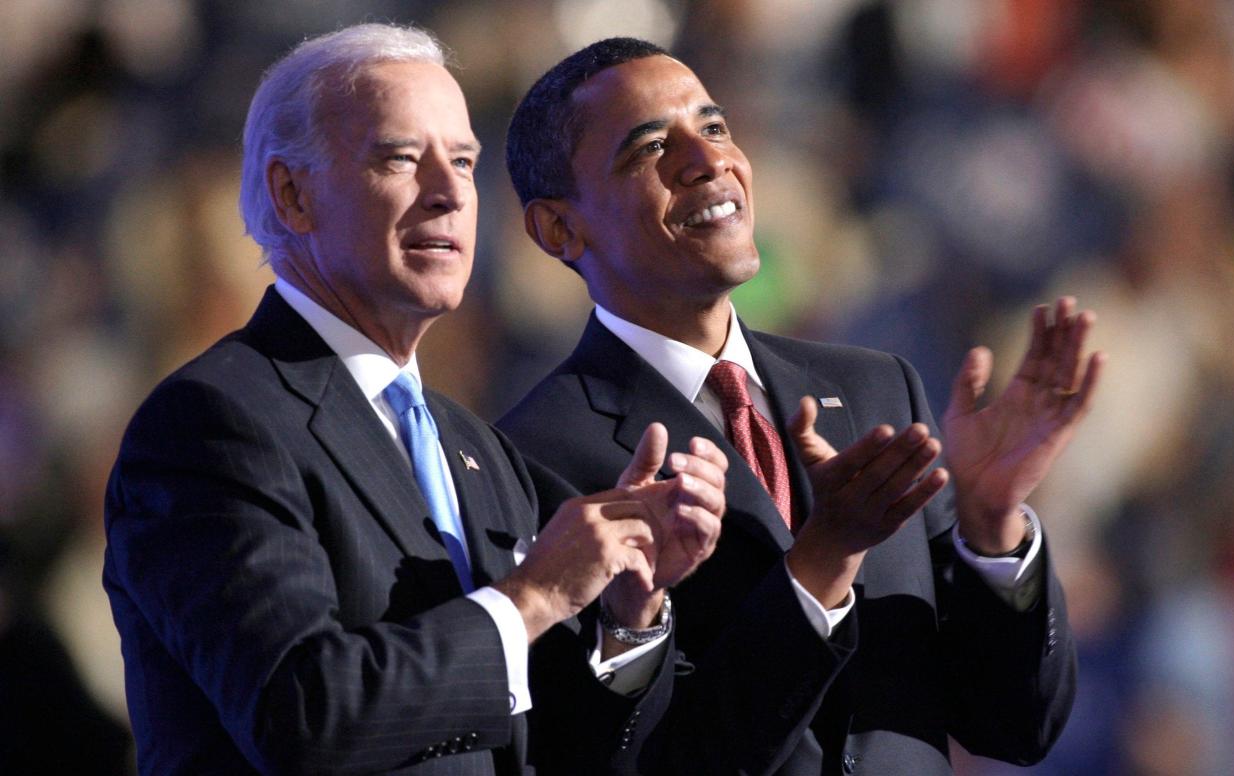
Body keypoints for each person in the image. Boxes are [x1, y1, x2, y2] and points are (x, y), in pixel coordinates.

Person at [102, 25, 729, 776]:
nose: (448, 193)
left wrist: (628, 618)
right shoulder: (213, 424)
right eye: (401, 158)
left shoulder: (475, 447)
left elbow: (552, 746)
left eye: (463, 161)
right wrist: (534, 595)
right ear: (292, 194)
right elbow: (304, 715)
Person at [499, 38, 1104, 775]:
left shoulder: (879, 390)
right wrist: (821, 559)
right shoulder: (531, 458)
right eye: (650, 147)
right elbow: (628, 759)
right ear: (559, 228)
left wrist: (991, 524)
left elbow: (1015, 724)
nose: (707, 160)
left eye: (714, 127)